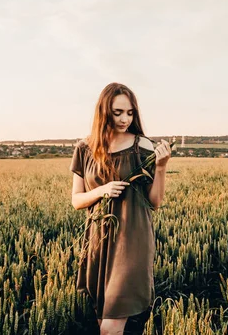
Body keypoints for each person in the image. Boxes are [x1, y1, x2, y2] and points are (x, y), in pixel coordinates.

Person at [70, 82, 172, 335]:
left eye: (130, 112)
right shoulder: (85, 149)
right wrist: (101, 190)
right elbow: (76, 200)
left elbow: (155, 202)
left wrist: (161, 168)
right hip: (98, 242)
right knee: (99, 319)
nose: (125, 119)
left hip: (132, 241)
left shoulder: (144, 147)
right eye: (118, 113)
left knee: (110, 328)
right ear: (104, 111)